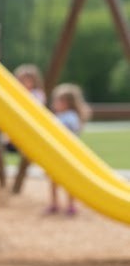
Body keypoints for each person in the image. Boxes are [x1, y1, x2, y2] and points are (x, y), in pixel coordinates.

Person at [46, 82, 92, 216]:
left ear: (67, 103)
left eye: (58, 101)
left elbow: (69, 130)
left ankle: (70, 204)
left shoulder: (71, 116)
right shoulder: (59, 116)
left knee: (69, 180)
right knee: (54, 179)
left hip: (67, 152)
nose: (55, 103)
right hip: (57, 152)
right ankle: (54, 203)